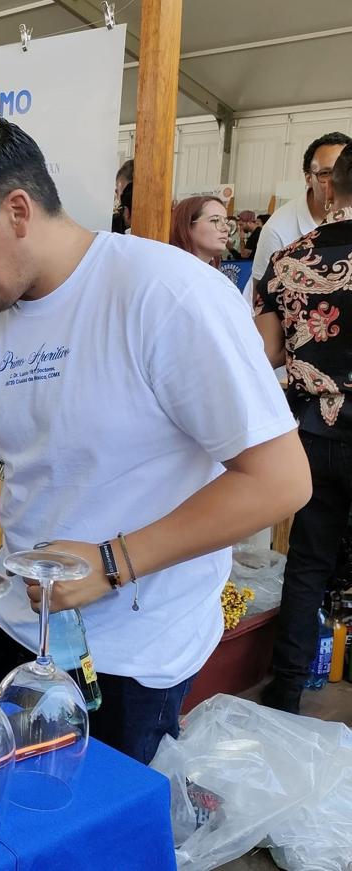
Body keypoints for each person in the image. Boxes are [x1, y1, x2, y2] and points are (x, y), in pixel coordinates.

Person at [0, 114, 310, 764]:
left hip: (132, 653)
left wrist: (114, 560)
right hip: (12, 621)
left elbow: (280, 480)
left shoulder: (164, 295)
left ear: (16, 210)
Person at [254, 144, 352, 715]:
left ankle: (285, 689)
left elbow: (265, 350)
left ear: (330, 189)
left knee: (308, 563)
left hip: (312, 432)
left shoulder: (289, 259)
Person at [252, 132, 352, 291]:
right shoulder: (277, 230)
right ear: (308, 179)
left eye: (346, 172)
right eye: (326, 173)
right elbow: (261, 295)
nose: (339, 180)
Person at [169, 196, 230, 268]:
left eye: (226, 222)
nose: (227, 228)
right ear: (187, 225)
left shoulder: (215, 276)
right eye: (215, 220)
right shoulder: (170, 270)